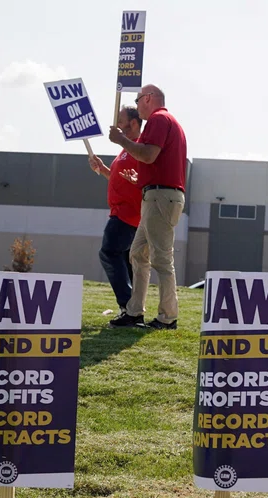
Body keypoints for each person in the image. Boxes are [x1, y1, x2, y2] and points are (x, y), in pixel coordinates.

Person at [106, 84, 188, 330]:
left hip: (161, 197)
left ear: (148, 99)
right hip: (158, 195)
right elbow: (155, 161)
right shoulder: (165, 120)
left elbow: (148, 154)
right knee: (138, 253)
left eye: (138, 98)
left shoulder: (158, 119)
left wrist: (120, 140)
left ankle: (167, 317)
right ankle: (134, 312)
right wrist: (139, 180)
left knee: (161, 258)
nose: (137, 103)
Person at [88, 106, 143, 317]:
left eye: (120, 121)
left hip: (127, 214)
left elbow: (141, 180)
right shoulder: (125, 150)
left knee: (109, 252)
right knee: (123, 259)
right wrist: (102, 169)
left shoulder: (139, 148)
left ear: (134, 123)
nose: (117, 126)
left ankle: (128, 305)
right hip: (121, 212)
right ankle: (132, 307)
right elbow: (120, 178)